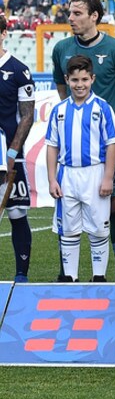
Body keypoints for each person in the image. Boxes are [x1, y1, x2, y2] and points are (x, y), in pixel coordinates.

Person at [53, 0, 115, 282]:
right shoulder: (61, 48)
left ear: (94, 16)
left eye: (77, 13)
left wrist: (106, 129)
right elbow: (62, 92)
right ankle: (68, 272)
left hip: (107, 147)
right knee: (68, 207)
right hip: (75, 154)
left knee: (114, 203)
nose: (71, 18)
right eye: (70, 13)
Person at [46, 55, 115, 282]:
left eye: (84, 80)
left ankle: (99, 276)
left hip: (95, 174)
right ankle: (70, 278)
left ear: (92, 79)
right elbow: (52, 146)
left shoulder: (103, 108)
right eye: (75, 80)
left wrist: (108, 177)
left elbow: (112, 144)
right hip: (67, 174)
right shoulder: (59, 110)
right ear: (67, 79)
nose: (80, 85)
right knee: (69, 229)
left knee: (98, 228)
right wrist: (52, 179)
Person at [0, 15, 35, 282]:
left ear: (3, 34)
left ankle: (21, 275)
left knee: (16, 212)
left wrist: (12, 151)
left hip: (9, 155)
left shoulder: (19, 70)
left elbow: (27, 115)